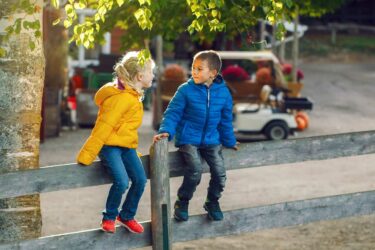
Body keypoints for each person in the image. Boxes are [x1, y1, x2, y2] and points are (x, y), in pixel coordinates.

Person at [153, 50, 238, 222]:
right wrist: (166, 131)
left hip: (211, 140)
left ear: (213, 73)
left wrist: (230, 141)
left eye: (200, 69)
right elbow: (173, 113)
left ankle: (212, 202)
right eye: (193, 68)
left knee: (220, 173)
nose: (194, 72)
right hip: (189, 139)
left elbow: (226, 120)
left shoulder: (223, 93)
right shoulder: (185, 90)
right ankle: (182, 202)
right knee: (195, 170)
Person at [77, 51, 155, 234]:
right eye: (151, 72)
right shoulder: (120, 98)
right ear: (140, 76)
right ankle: (109, 217)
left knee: (140, 180)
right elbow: (104, 127)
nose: (153, 76)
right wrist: (87, 153)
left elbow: (127, 128)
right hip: (110, 146)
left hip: (127, 147)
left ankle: (126, 215)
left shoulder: (134, 96)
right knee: (121, 181)